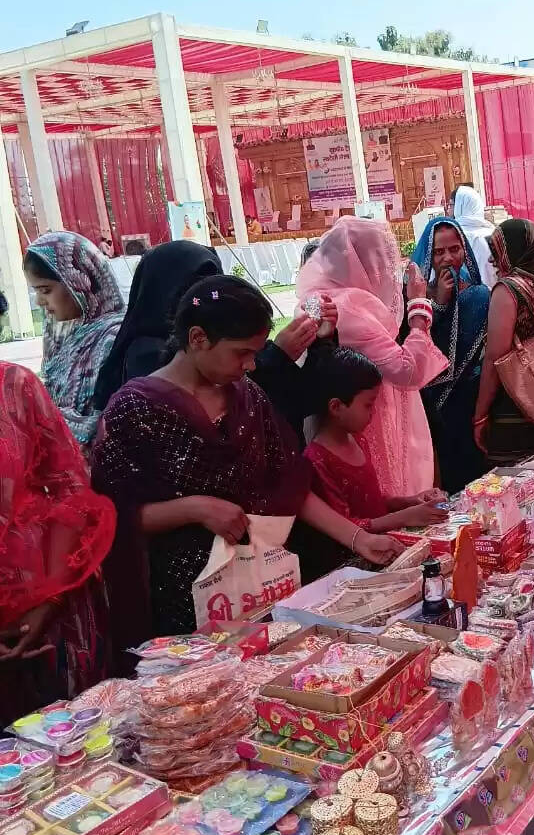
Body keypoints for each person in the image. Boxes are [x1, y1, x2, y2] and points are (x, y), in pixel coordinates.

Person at [91, 276, 400, 647]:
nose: (252, 365)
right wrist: (194, 509)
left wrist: (359, 538)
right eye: (242, 353)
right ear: (197, 338)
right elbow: (112, 517)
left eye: (256, 352)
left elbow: (289, 487)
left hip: (260, 585)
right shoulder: (136, 409)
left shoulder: (247, 397)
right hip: (183, 602)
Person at [92, 239, 337, 445]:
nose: (206, 297)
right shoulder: (148, 361)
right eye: (195, 287)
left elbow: (298, 399)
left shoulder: (233, 359)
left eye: (212, 284)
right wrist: (276, 356)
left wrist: (321, 340)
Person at [296, 216, 449, 498]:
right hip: (370, 419)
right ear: (360, 262)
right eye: (380, 259)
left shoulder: (327, 297)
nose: (386, 270)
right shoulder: (348, 308)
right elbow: (407, 370)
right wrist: (418, 307)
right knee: (384, 497)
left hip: (361, 412)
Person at [0, 356, 115, 722]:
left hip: (46, 608)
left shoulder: (13, 385)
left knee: (71, 738)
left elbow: (71, 489)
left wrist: (50, 598)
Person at [305, 347, 448, 533]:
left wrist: (411, 502)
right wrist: (406, 517)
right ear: (336, 407)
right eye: (368, 405)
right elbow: (345, 528)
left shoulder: (358, 440)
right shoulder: (317, 461)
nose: (373, 413)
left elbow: (372, 503)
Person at [473, 218, 534, 462]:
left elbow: (495, 358)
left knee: (516, 480)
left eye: (498, 251)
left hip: (517, 411)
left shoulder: (507, 290)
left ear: (515, 251)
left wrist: (480, 416)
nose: (492, 260)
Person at [408, 216, 490, 492]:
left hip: (470, 402)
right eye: (438, 252)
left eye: (454, 249)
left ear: (464, 250)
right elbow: (415, 347)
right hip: (432, 407)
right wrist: (439, 304)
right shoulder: (416, 298)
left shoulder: (479, 295)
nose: (447, 258)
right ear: (428, 256)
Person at [24, 231, 125, 449]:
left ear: (80, 283)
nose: (40, 301)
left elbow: (109, 424)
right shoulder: (63, 336)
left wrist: (39, 418)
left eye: (46, 290)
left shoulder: (113, 338)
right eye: (36, 292)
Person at [452, 184, 497, 287]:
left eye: (451, 205)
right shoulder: (490, 232)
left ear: (460, 206)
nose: (448, 209)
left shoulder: (455, 234)